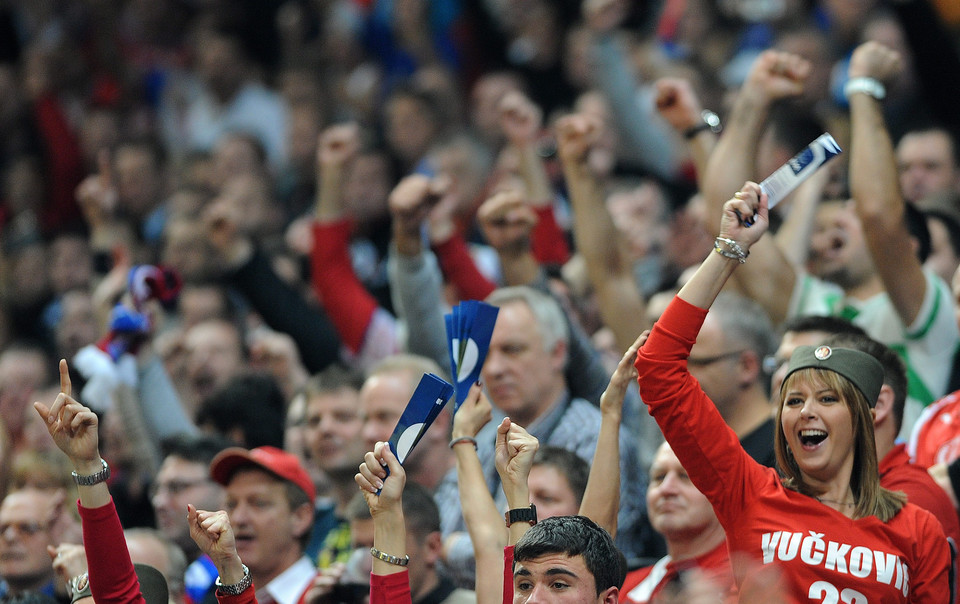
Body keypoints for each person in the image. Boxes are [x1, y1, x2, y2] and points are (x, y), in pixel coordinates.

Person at [634, 181, 951, 599]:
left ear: (865, 416)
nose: (805, 412)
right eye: (794, 400)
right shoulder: (748, 491)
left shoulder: (917, 527)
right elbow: (658, 366)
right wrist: (729, 248)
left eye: (827, 398)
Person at [701, 43, 960, 440]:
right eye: (839, 213)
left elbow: (880, 216)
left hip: (897, 495)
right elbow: (727, 209)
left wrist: (863, 86)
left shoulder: (925, 312)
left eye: (850, 216)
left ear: (908, 245)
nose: (839, 218)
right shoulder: (812, 304)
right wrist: (754, 99)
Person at [619, 442, 734, 604]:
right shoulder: (626, 588)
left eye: (686, 476)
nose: (666, 489)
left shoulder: (749, 581)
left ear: (725, 490)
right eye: (659, 477)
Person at [208, 446, 316, 604]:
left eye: (258, 503)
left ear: (300, 517)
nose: (238, 518)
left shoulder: (331, 597)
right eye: (231, 504)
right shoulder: (215, 595)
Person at [150, 434, 231, 604]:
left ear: (225, 492)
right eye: (157, 488)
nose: (159, 501)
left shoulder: (247, 575)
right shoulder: (152, 569)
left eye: (176, 487)